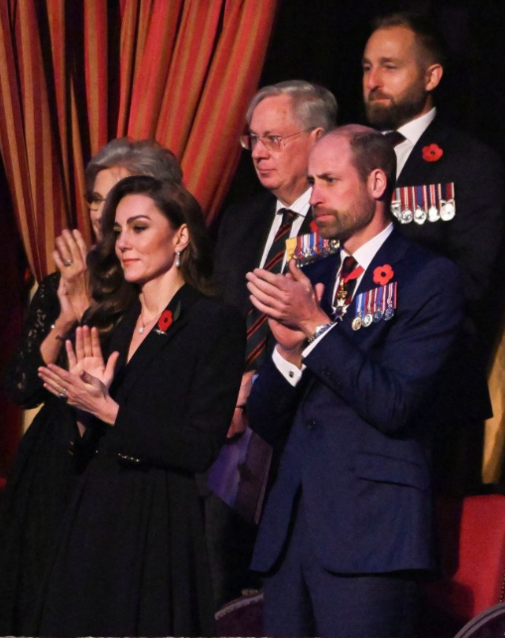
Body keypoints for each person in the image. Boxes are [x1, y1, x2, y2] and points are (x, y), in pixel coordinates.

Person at [245, 125, 463, 637]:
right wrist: (286, 351)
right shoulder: (311, 273)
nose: (314, 196)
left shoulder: (427, 278)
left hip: (370, 533)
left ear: (377, 182)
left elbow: (395, 404)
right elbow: (265, 419)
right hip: (292, 531)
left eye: (329, 181)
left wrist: (318, 329)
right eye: (311, 182)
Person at [35, 175, 243, 635]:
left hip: (157, 519)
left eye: (139, 227)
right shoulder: (115, 323)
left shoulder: (214, 323)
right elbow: (84, 442)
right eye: (118, 231)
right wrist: (84, 408)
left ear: (181, 236)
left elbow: (199, 446)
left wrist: (110, 411)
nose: (123, 243)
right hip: (94, 513)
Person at [0, 138, 182, 635]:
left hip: (114, 463)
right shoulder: (72, 278)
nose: (104, 214)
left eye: (115, 199)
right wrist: (64, 317)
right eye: (97, 201)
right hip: (51, 464)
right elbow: (21, 387)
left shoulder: (161, 284)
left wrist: (89, 314)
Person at [363, 10, 505, 494]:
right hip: (348, 379)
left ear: (432, 76)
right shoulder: (349, 155)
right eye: (366, 68)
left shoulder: (469, 162)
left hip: (431, 384)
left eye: (389, 66)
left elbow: (473, 278)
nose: (373, 81)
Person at [208, 80, 336, 604]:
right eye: (251, 140)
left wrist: (256, 388)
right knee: (213, 572)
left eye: (274, 139)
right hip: (225, 428)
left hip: (300, 423)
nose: (258, 152)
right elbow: (218, 322)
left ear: (318, 138)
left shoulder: (340, 221)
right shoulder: (242, 220)